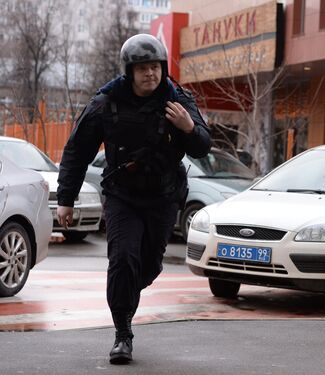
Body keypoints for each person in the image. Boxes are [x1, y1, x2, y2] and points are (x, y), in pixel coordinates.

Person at [56, 34, 211, 363]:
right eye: (143, 69)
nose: (150, 75)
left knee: (148, 266)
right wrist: (66, 199)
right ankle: (122, 333)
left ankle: (124, 293)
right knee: (123, 259)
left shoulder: (178, 100)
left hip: (163, 197)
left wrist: (188, 127)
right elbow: (76, 151)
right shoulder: (106, 102)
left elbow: (202, 146)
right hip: (122, 196)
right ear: (130, 71)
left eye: (155, 68)